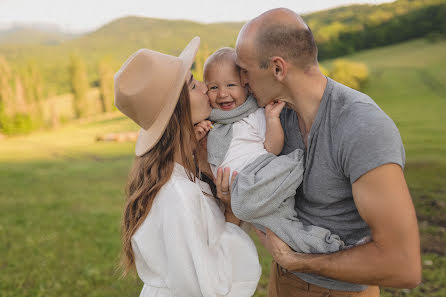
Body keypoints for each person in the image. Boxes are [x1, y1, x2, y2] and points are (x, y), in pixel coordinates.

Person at [229, 8, 421, 297]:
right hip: (282, 281)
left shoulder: (362, 127)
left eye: (245, 70)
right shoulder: (274, 116)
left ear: (278, 69)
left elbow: (403, 266)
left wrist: (300, 261)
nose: (242, 80)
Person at [115, 37, 261, 297]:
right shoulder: (177, 193)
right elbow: (207, 286)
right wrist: (230, 213)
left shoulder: (186, 169)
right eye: (194, 85)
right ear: (178, 108)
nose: (206, 88)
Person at [197, 47, 346, 255]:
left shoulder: (252, 115)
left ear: (246, 86)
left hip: (261, 176)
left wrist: (272, 119)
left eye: (231, 85)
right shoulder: (212, 123)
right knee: (286, 231)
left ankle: (297, 165)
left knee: (249, 209)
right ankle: (330, 246)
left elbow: (272, 149)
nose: (222, 94)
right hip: (246, 192)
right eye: (213, 87)